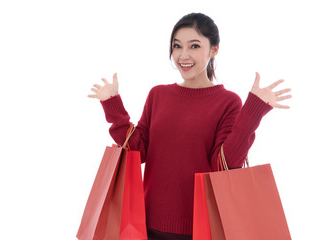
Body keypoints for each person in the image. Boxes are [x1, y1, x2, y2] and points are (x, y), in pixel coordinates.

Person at [87, 13, 291, 240]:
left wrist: (253, 111)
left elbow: (224, 163)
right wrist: (112, 105)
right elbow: (139, 150)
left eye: (194, 46)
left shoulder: (228, 102)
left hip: (202, 228)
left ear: (214, 50)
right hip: (147, 224)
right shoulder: (158, 94)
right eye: (177, 46)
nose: (183, 55)